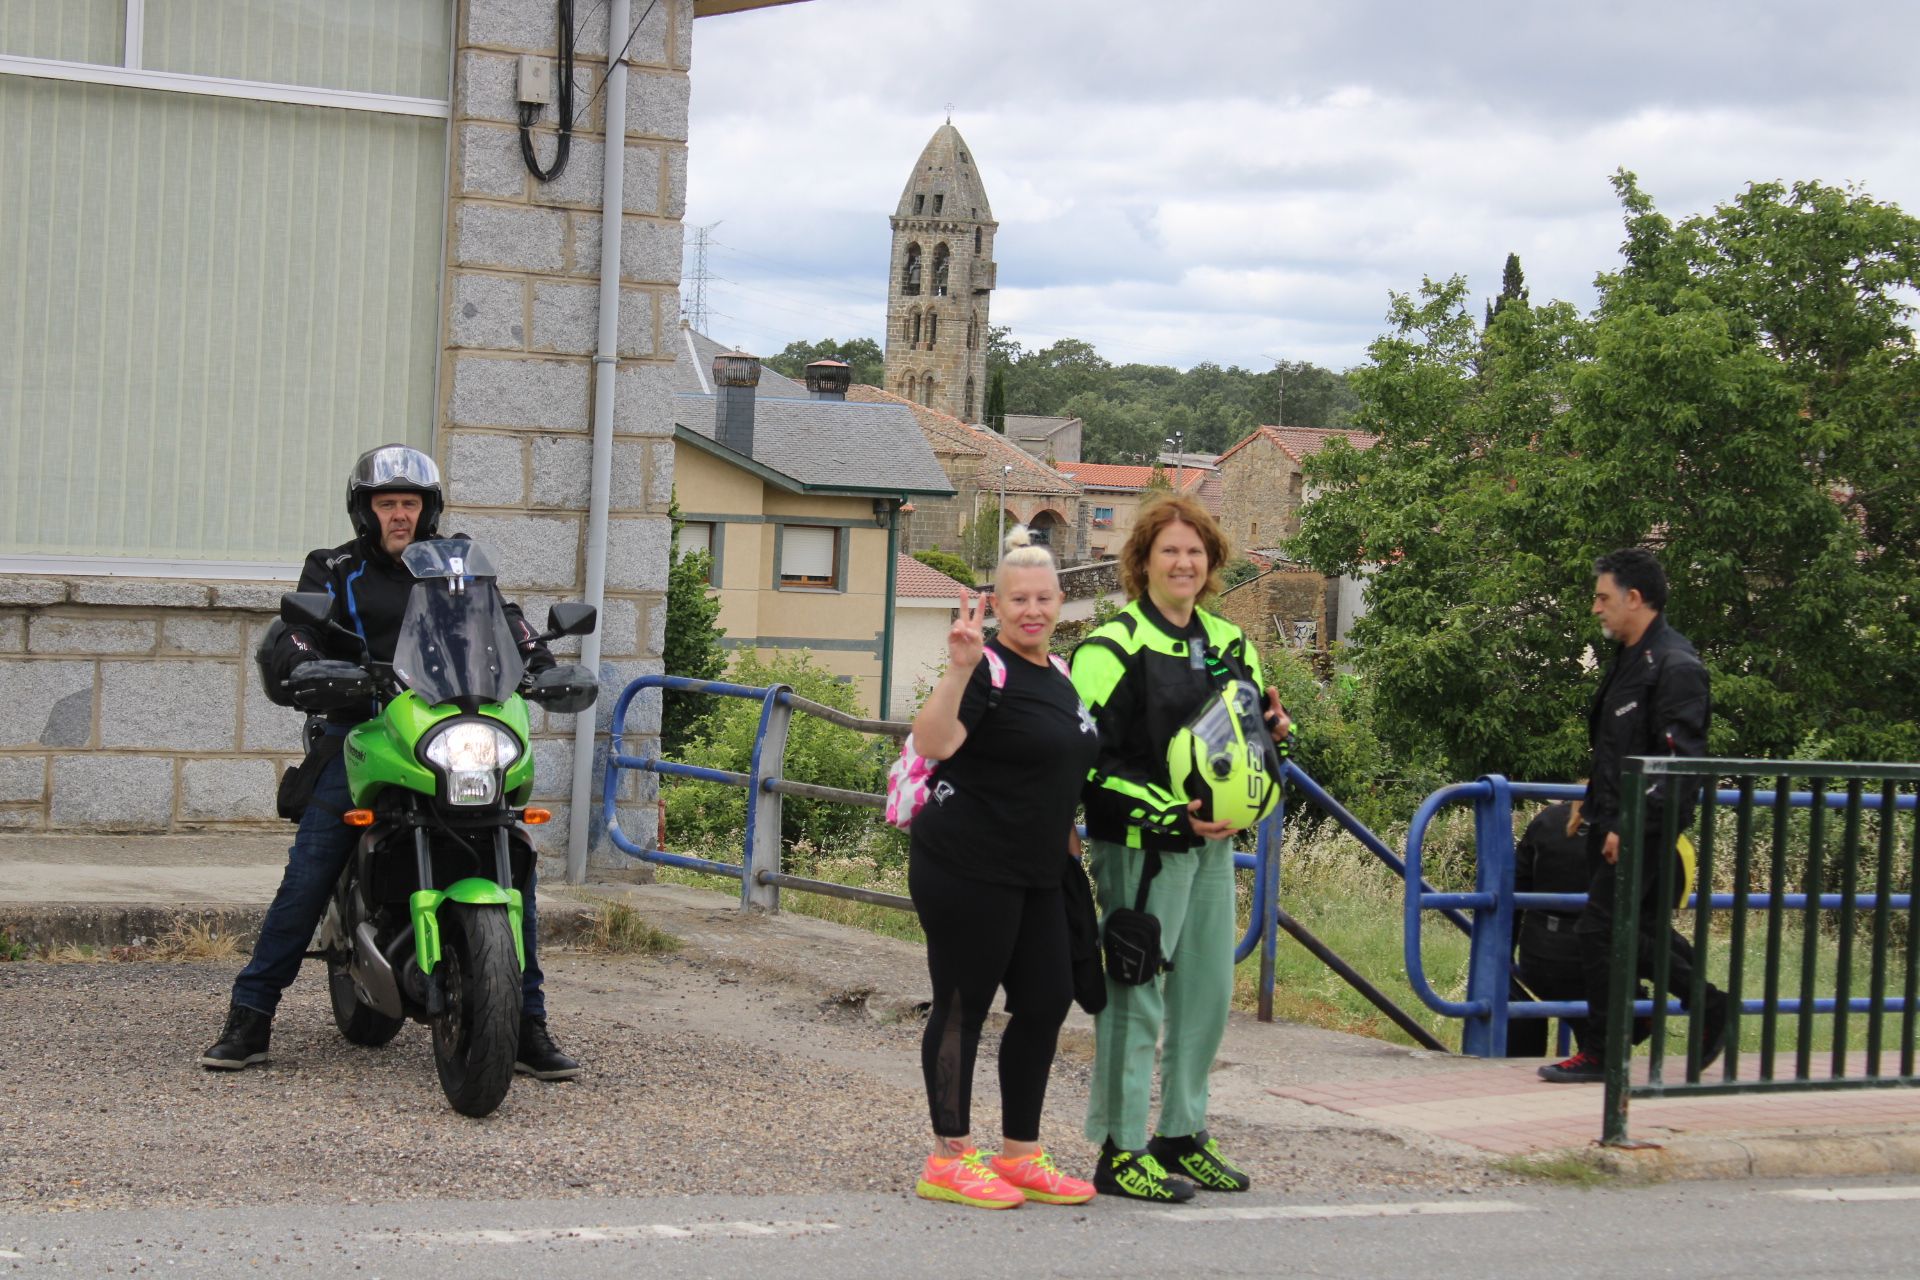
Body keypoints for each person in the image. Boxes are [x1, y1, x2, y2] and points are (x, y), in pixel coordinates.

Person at [199, 444, 581, 1081]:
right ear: (365, 511)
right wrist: (305, 661)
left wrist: (537, 661)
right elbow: (299, 628)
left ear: (427, 509)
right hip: (360, 726)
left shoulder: (458, 562)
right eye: (387, 504)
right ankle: (250, 1017)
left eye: (410, 503)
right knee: (311, 871)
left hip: (448, 723)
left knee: (512, 863)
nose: (399, 515)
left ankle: (526, 1025)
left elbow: (502, 619)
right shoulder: (335, 567)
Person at [1071, 494, 1291, 1201]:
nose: (1184, 562)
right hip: (1139, 849)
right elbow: (1086, 761)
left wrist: (1275, 737)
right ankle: (1121, 1146)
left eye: (1194, 551)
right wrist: (1171, 813)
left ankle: (1180, 1133)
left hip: (1213, 849)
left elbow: (1253, 737)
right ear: (1142, 562)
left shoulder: (1232, 646)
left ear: (1212, 561)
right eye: (1169, 550)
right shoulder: (1110, 648)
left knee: (1206, 995)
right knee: (1137, 995)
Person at [904, 526, 1101, 1210]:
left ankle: (1020, 1154)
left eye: (1043, 598)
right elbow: (934, 743)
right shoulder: (987, 670)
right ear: (998, 601)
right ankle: (948, 1158)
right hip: (965, 863)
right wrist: (957, 668)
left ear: (1060, 598)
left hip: (1038, 870)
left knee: (1047, 1000)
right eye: (1018, 599)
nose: (1032, 611)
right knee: (963, 1007)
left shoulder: (1063, 674)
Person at [1540, 548, 1727, 1083]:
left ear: (1635, 598)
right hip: (1612, 818)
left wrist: (1631, 824)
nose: (1596, 608)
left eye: (1603, 597)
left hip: (1646, 826)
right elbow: (1619, 745)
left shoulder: (1676, 665)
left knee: (1600, 931)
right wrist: (1592, 800)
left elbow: (1679, 763)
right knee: (1633, 931)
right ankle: (1702, 1009)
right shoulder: (1631, 656)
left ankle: (1605, 1049)